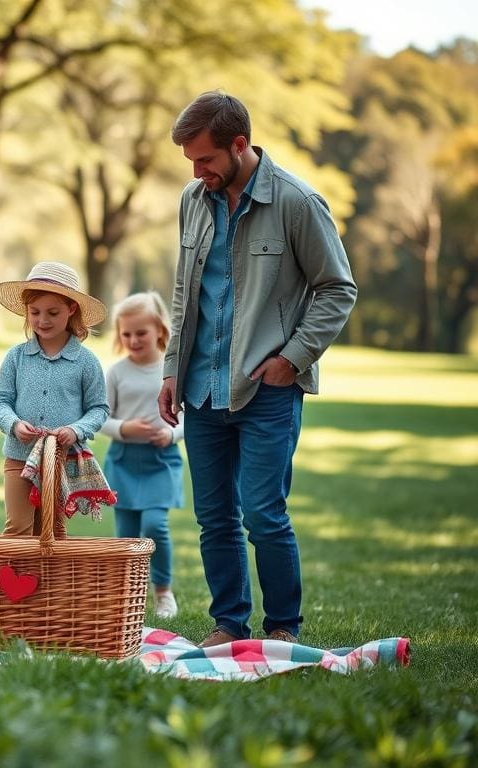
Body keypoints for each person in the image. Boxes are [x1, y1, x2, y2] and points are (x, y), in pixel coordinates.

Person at [158, 91, 357, 646]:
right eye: (191, 162)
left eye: (205, 160)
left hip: (266, 388)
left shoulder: (297, 202)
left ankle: (283, 628)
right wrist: (172, 368)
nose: (198, 173)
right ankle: (228, 625)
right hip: (199, 390)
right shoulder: (193, 199)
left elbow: (337, 289)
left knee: (264, 515)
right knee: (214, 519)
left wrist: (291, 359)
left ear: (239, 144)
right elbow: (183, 289)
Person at [0, 261, 110, 536]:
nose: (42, 320)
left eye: (53, 312)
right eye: (35, 312)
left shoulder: (86, 362)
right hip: (19, 459)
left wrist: (75, 429)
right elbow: (0, 402)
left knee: (52, 531)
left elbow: (98, 408)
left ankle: (50, 580)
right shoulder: (16, 357)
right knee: (18, 528)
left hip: (60, 461)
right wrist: (14, 424)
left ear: (71, 309)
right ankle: (13, 579)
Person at [101, 291, 185, 620]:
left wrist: (172, 433)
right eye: (126, 334)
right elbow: (101, 418)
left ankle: (163, 591)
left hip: (161, 461)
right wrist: (124, 429)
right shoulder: (117, 373)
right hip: (123, 459)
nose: (133, 340)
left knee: (155, 525)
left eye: (141, 333)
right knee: (125, 536)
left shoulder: (172, 370)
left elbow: (190, 416)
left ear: (160, 331)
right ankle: (126, 594)